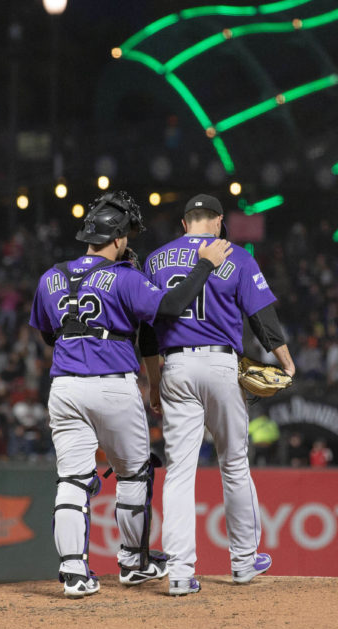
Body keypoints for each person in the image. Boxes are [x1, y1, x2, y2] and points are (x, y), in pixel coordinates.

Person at [29, 190, 231, 599]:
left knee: (71, 478)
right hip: (113, 384)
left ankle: (73, 573)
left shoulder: (50, 276)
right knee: (133, 472)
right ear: (118, 239)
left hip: (65, 386)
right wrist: (205, 266)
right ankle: (133, 562)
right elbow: (171, 306)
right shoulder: (124, 277)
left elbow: (48, 333)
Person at [143, 193, 295, 596]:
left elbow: (148, 327)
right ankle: (244, 562)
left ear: (184, 223)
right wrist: (285, 359)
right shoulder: (237, 256)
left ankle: (178, 572)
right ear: (217, 222)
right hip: (219, 364)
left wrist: (154, 381)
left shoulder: (155, 260)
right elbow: (262, 317)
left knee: (179, 472)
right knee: (234, 463)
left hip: (174, 365)